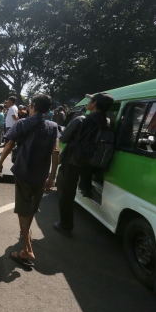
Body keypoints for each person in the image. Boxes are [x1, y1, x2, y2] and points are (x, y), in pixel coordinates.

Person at [0, 94, 60, 268]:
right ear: (48, 110)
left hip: (24, 172)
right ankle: (26, 234)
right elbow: (56, 152)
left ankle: (27, 250)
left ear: (32, 106)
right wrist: (52, 176)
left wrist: (0, 163)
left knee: (23, 210)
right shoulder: (53, 126)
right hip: (41, 175)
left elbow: (9, 145)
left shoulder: (22, 123)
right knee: (31, 207)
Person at [53, 92, 115, 238]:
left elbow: (64, 139)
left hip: (73, 162)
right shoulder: (108, 122)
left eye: (91, 100)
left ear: (94, 104)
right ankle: (86, 188)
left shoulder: (81, 120)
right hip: (93, 164)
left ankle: (65, 226)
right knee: (85, 174)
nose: (88, 103)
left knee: (66, 194)